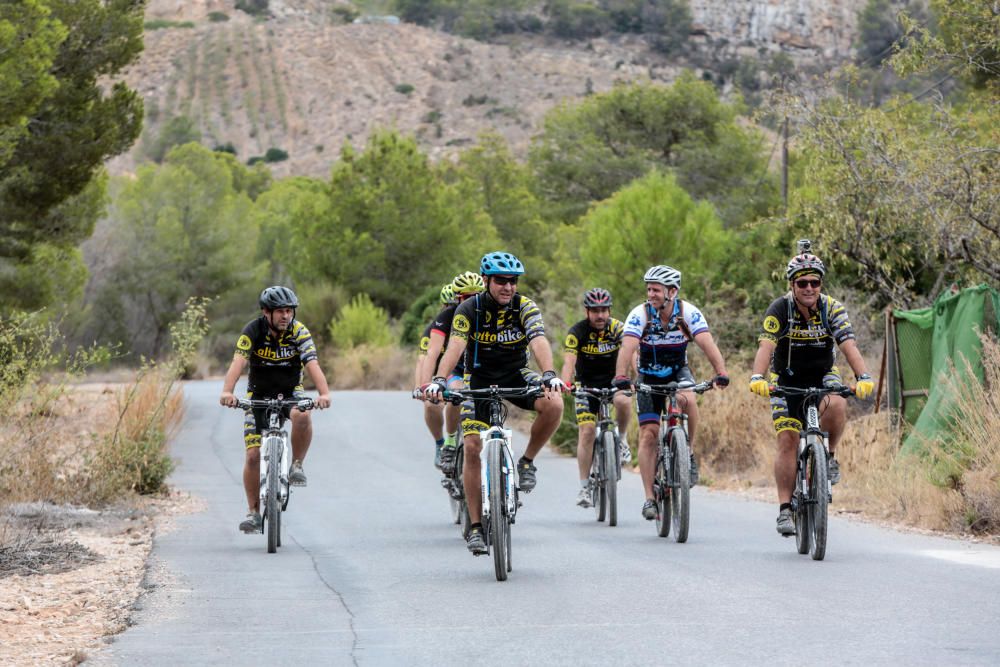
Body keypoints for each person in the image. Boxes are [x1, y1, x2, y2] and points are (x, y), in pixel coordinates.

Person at [426, 251, 566, 555]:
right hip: (477, 378)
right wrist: (439, 378)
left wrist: (549, 374)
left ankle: (527, 462)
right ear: (487, 280)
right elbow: (456, 345)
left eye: (513, 281)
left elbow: (538, 339)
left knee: (554, 404)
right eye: (501, 281)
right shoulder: (468, 308)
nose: (508, 287)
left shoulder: (525, 306)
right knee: (474, 446)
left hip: (517, 373)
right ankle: (476, 527)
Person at [748, 244, 874, 536]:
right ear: (792, 285)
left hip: (822, 375)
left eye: (814, 282)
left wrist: (863, 375)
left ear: (821, 284)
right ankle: (784, 510)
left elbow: (848, 344)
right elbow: (766, 346)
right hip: (786, 379)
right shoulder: (780, 309)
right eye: (802, 283)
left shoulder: (832, 308)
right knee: (788, 440)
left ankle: (828, 457)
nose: (808, 288)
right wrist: (758, 376)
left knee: (838, 403)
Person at [613, 265, 729, 521]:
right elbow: (627, 347)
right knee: (648, 435)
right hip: (648, 375)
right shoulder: (639, 314)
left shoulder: (688, 313)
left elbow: (707, 343)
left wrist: (720, 372)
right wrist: (622, 376)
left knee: (688, 397)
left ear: (672, 292)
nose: (650, 294)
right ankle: (649, 498)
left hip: (678, 371)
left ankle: (687, 452)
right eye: (649, 289)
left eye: (656, 289)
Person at [219, 286, 331, 533]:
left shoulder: (299, 331)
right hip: (258, 396)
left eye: (289, 311)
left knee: (303, 414)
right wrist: (228, 392)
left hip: (291, 392)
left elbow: (312, 363)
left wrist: (324, 394)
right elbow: (238, 363)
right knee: (252, 455)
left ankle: (297, 465)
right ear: (266, 312)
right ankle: (254, 513)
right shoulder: (252, 331)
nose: (286, 316)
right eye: (280, 311)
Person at [559, 287, 633, 508]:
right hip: (586, 385)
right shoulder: (577, 332)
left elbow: (632, 354)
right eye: (595, 311)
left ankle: (622, 440)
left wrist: (635, 378)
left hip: (614, 381)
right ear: (586, 311)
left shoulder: (618, 328)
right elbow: (569, 362)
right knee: (587, 431)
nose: (600, 315)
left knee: (623, 400)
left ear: (609, 310)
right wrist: (565, 384)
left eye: (604, 310)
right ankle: (584, 486)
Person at [418, 271, 486, 476]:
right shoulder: (447, 317)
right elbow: (430, 354)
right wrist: (424, 385)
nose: (473, 301)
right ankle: (448, 442)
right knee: (457, 393)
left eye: (477, 296)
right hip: (456, 370)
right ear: (458, 299)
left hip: (482, 369)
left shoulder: (491, 311)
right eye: (467, 297)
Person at [412, 283, 459, 469]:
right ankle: (441, 444)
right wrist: (420, 386)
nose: (453, 310)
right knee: (431, 404)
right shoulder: (435, 328)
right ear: (443, 307)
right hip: (439, 374)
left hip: (458, 373)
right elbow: (422, 359)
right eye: (449, 306)